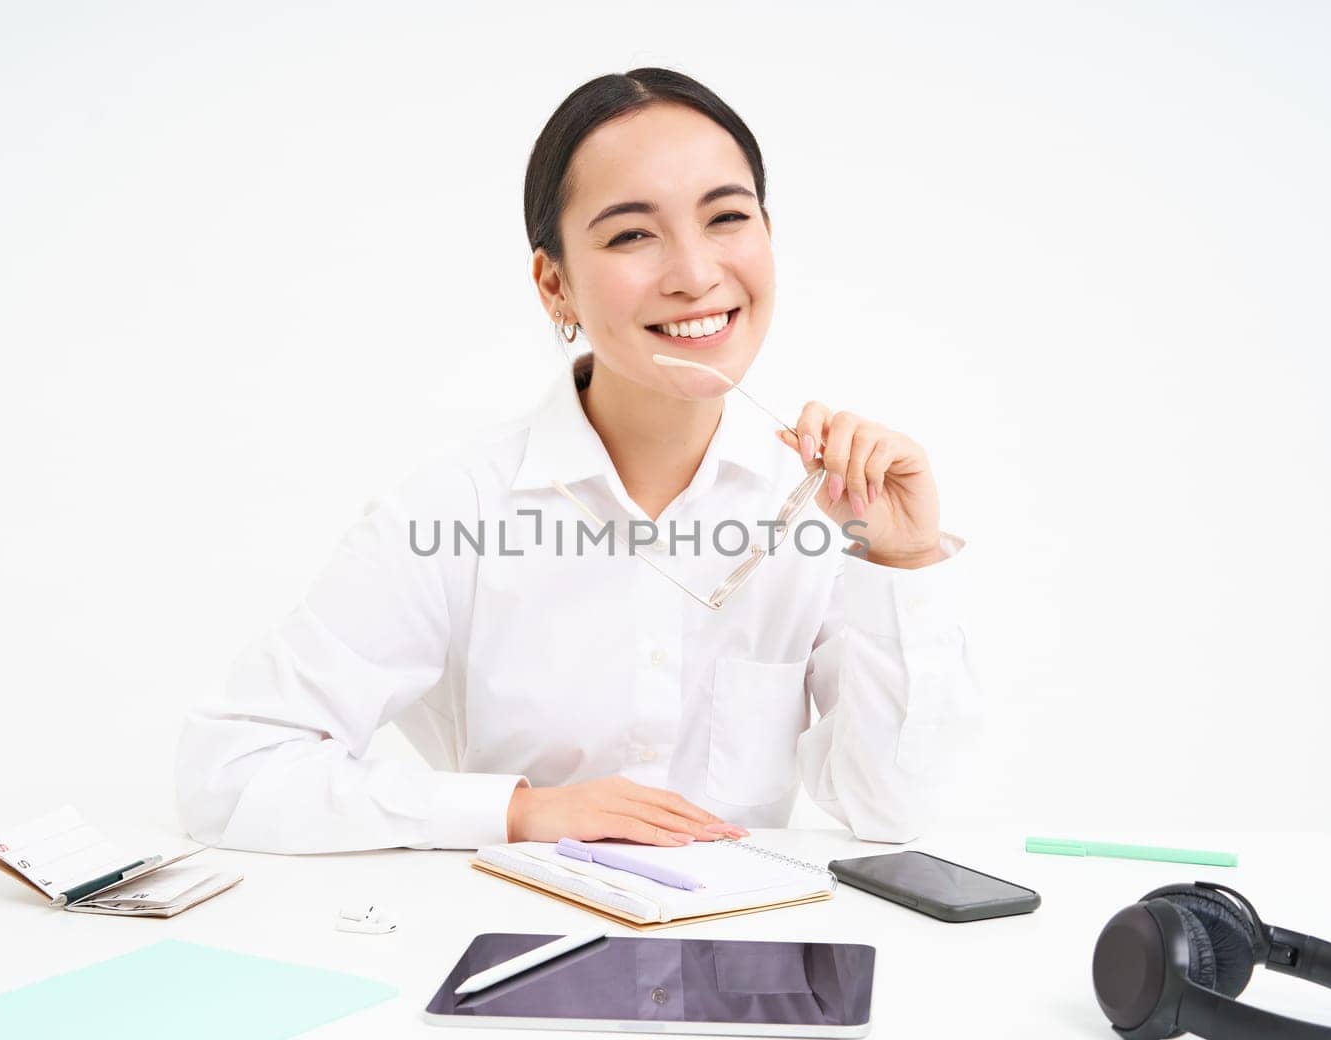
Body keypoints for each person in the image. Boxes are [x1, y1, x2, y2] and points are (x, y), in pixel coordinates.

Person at [175, 68, 980, 854]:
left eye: (727, 218)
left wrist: (900, 559)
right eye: (633, 233)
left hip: (744, 958)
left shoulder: (826, 508)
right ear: (553, 284)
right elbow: (231, 773)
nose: (696, 274)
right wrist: (521, 812)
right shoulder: (455, 508)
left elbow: (890, 810)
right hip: (514, 948)